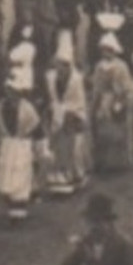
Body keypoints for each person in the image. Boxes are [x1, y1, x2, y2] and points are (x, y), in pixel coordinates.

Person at [43, 35, 91, 195]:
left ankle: (75, 174)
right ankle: (58, 176)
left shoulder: (76, 80)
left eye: (65, 66)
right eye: (59, 65)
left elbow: (79, 102)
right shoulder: (50, 78)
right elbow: (50, 98)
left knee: (73, 146)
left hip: (73, 115)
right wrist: (54, 111)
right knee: (56, 144)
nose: (61, 69)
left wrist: (69, 113)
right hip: (57, 115)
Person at [0, 68, 42, 222]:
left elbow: (36, 127)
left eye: (14, 91)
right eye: (9, 90)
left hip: (22, 144)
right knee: (8, 170)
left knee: (21, 172)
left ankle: (20, 204)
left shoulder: (27, 108)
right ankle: (10, 200)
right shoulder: (1, 105)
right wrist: (6, 134)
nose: (11, 94)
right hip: (8, 143)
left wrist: (36, 144)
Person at [88, 35, 133, 173]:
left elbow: (127, 85)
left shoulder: (121, 66)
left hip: (117, 98)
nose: (106, 53)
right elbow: (96, 85)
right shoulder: (99, 66)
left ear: (114, 50)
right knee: (102, 130)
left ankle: (118, 162)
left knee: (118, 129)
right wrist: (95, 100)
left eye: (109, 50)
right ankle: (102, 161)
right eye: (103, 50)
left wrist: (122, 99)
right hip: (103, 99)